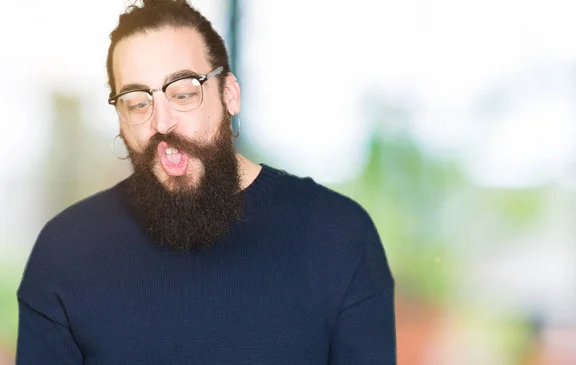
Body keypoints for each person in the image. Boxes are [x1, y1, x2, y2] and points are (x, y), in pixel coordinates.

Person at [16, 0, 396, 363]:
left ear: (229, 94)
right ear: (119, 119)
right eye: (137, 103)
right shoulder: (66, 252)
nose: (161, 123)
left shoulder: (338, 236)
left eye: (183, 93)